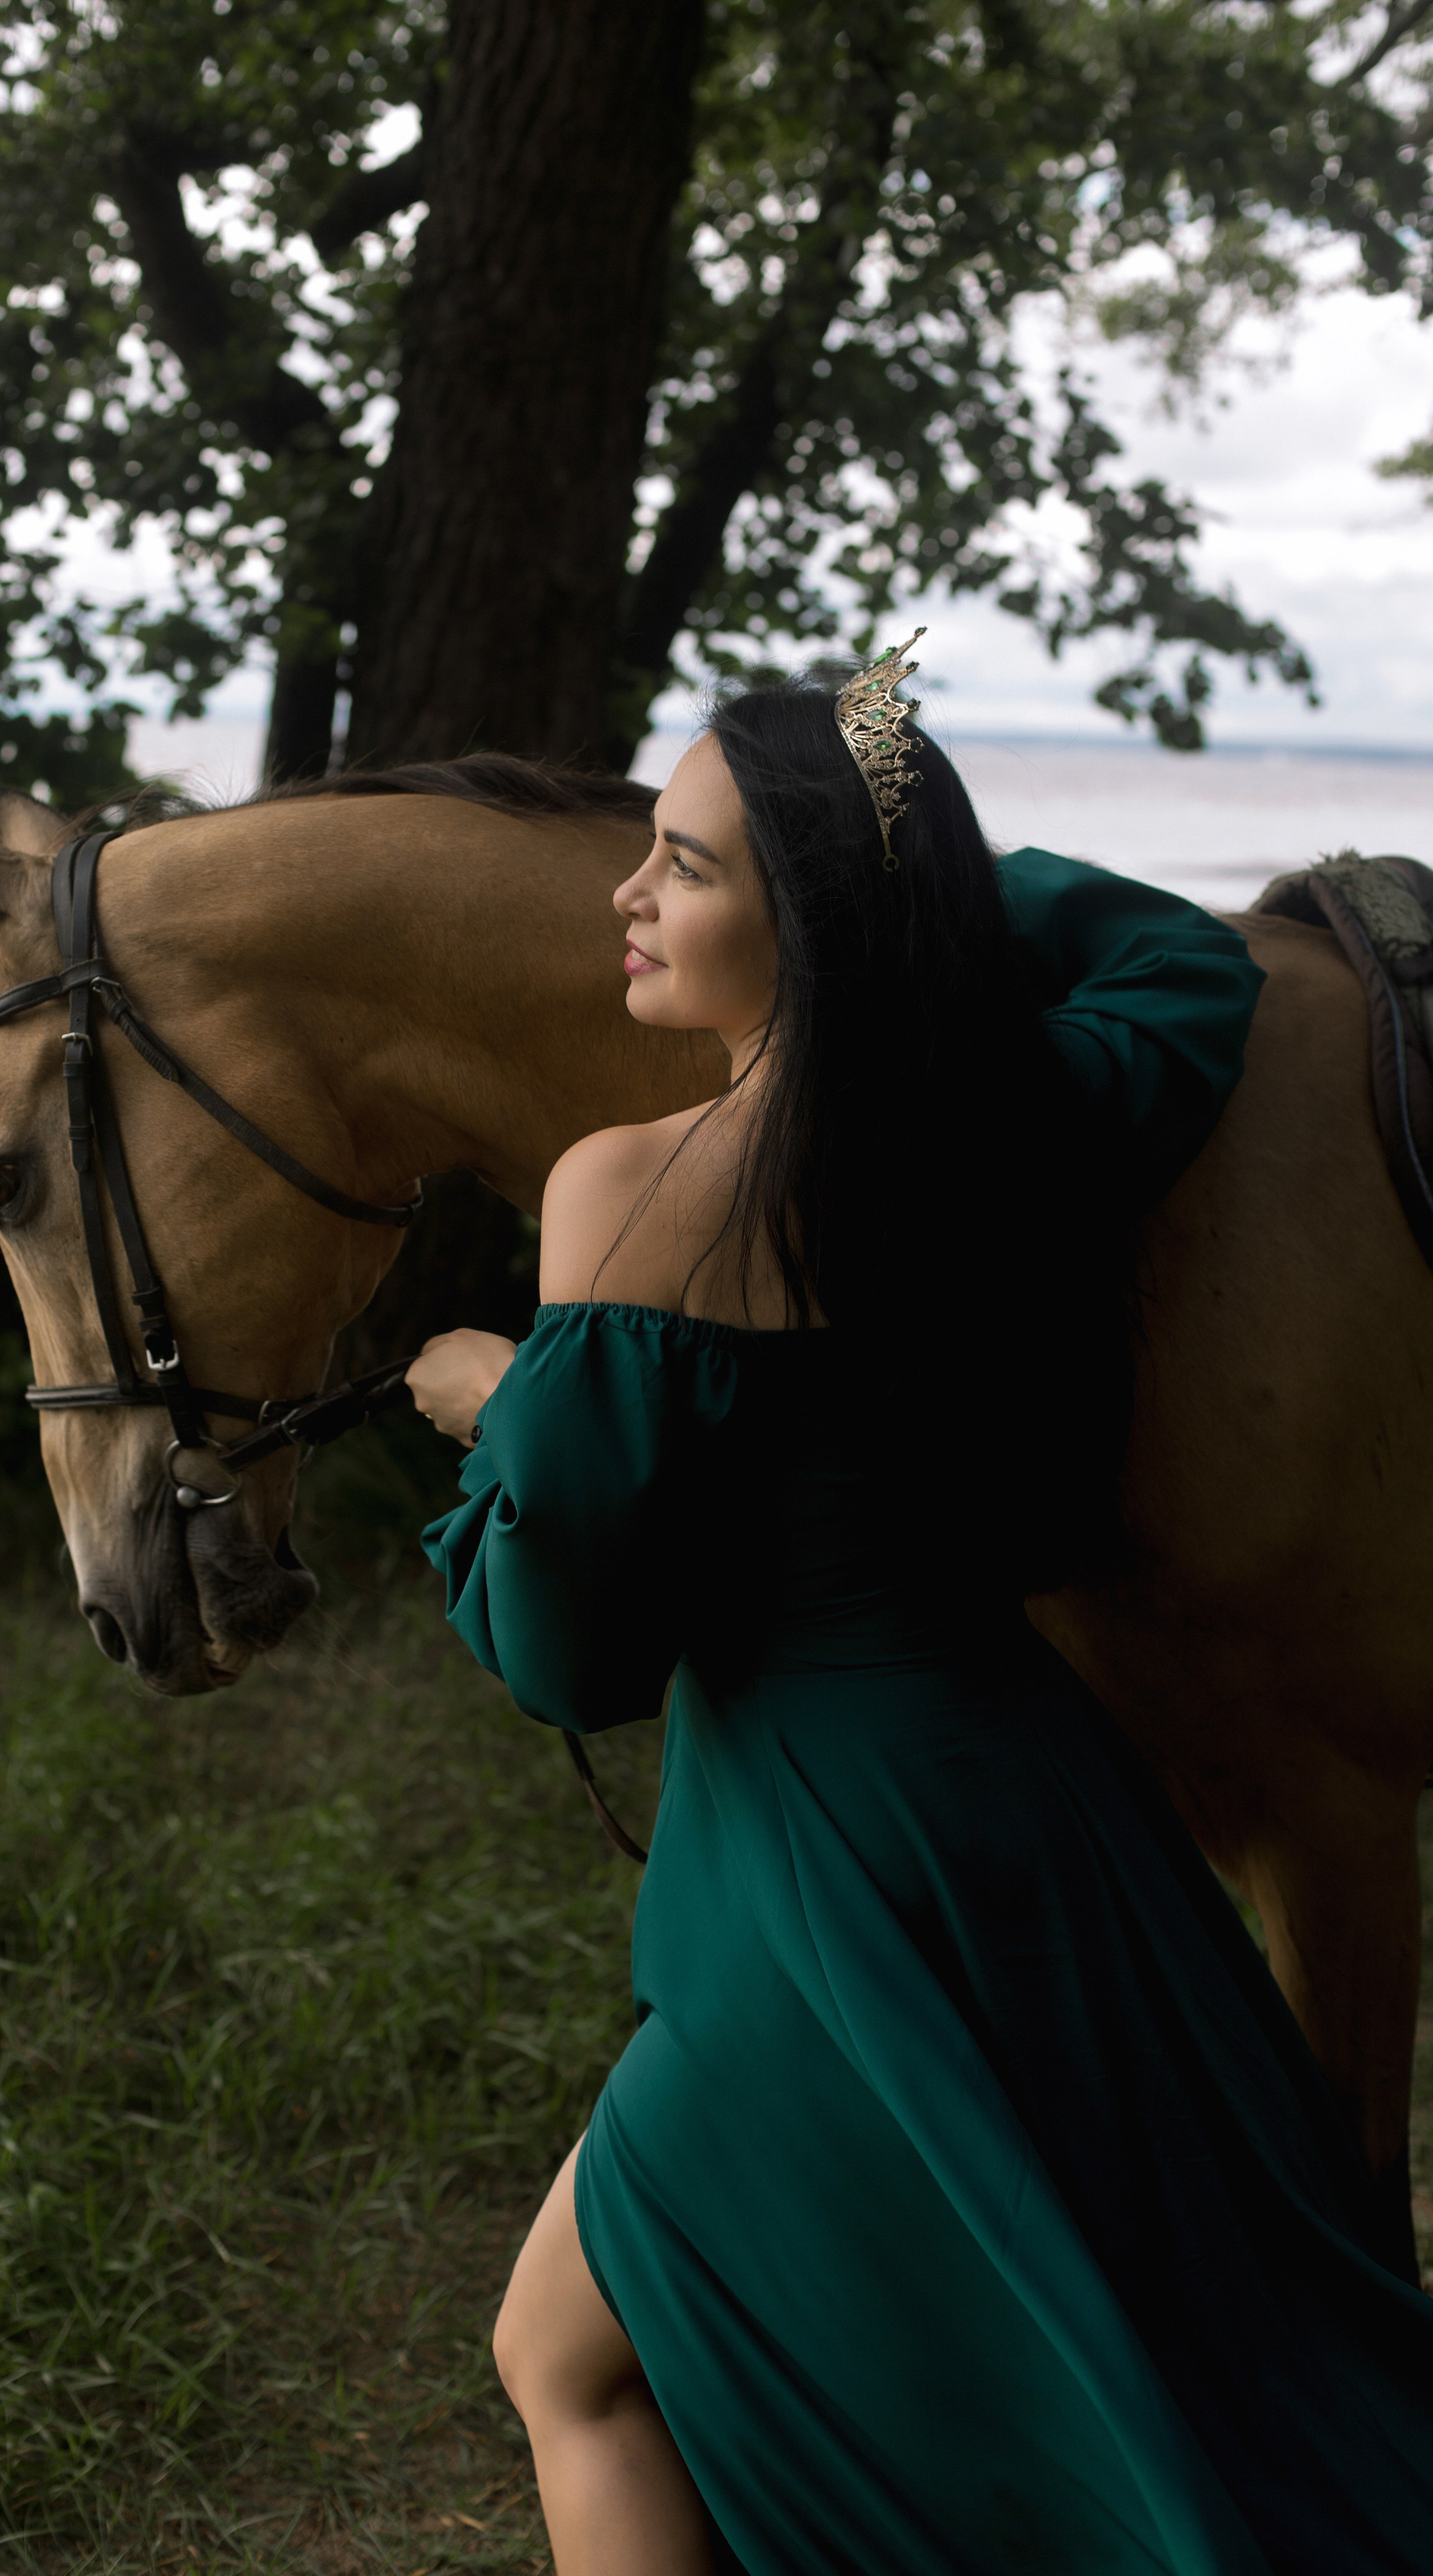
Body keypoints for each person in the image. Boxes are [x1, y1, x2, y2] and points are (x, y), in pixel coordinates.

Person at [404, 644, 1433, 2576]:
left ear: (813, 917)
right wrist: (936, 876)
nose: (627, 894)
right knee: (1102, 2345)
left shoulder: (627, 1193)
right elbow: (1185, 965)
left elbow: (564, 1651)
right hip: (1058, 1837)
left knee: (571, 2356)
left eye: (687, 867)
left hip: (831, 1873)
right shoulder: (1040, 1121)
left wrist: (504, 1404)